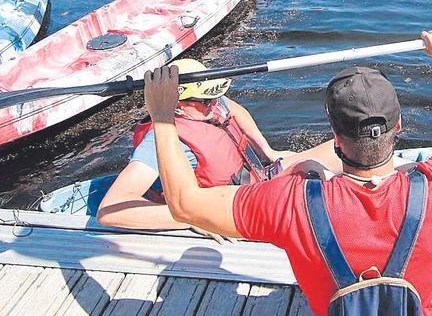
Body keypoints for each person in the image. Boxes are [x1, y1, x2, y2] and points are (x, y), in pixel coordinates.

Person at [142, 30, 432, 316]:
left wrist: (161, 115)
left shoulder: (290, 200)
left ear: (334, 135)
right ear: (398, 127)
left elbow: (184, 202)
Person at [95, 58, 340, 233]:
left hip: (255, 183)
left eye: (215, 97)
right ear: (176, 104)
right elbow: (110, 210)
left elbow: (233, 108)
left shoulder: (209, 105)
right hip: (232, 209)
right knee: (318, 207)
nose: (215, 105)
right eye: (206, 101)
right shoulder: (160, 142)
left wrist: (268, 151)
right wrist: (191, 218)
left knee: (342, 150)